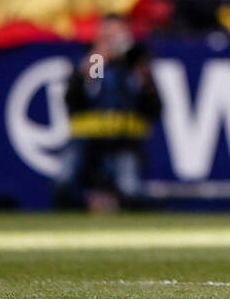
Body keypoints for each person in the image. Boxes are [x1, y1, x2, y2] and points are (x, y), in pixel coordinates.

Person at [56, 16, 162, 212]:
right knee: (64, 182)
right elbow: (78, 98)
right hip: (86, 141)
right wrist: (97, 61)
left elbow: (154, 108)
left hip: (124, 141)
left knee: (130, 191)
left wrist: (144, 77)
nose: (113, 42)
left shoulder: (135, 65)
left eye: (118, 36)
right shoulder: (92, 61)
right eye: (108, 36)